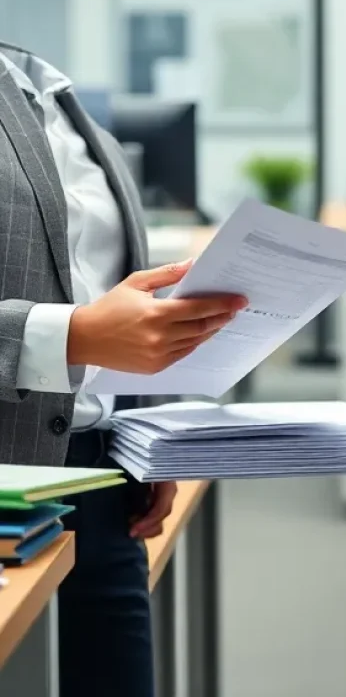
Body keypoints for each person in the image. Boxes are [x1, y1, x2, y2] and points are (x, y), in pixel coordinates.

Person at [0, 41, 245, 697]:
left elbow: (104, 291)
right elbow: (87, 324)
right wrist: (72, 335)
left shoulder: (51, 94)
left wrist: (144, 437)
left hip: (99, 482)